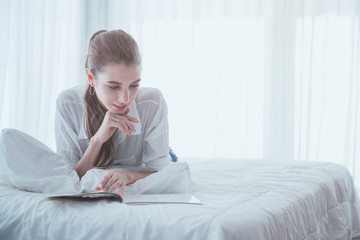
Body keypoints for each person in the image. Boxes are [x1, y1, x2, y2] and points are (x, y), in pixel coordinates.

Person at [55, 29, 172, 195]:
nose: (125, 99)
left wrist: (127, 176)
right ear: (90, 77)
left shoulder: (152, 102)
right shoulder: (68, 103)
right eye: (113, 87)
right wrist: (97, 141)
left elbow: (163, 173)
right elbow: (68, 178)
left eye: (134, 85)